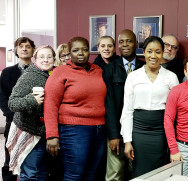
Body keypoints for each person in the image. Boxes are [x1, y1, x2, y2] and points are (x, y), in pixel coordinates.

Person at [44, 36, 106, 181]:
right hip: (74, 130)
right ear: (69, 53)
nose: (81, 53)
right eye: (76, 50)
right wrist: (52, 135)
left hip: (99, 129)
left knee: (92, 174)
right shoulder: (60, 72)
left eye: (84, 50)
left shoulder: (98, 70)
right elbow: (50, 104)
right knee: (75, 175)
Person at [121, 36, 179, 177]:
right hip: (139, 132)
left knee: (160, 173)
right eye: (150, 51)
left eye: (158, 52)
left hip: (161, 132)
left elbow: (176, 111)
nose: (153, 56)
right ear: (144, 52)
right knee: (140, 172)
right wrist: (127, 140)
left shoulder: (171, 77)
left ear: (162, 53)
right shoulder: (133, 77)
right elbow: (127, 111)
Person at [6, 45, 55, 180]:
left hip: (45, 132)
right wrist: (31, 100)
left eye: (49, 57)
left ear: (54, 59)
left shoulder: (54, 74)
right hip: (28, 131)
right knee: (30, 173)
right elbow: (12, 103)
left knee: (42, 172)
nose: (45, 60)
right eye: (41, 57)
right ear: (35, 59)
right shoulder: (29, 76)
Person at [102, 29, 144, 181]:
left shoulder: (144, 68)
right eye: (121, 42)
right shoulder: (109, 68)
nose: (125, 44)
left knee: (137, 173)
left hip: (139, 131)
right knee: (115, 174)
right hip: (117, 133)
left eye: (129, 41)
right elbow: (109, 103)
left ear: (136, 44)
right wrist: (113, 134)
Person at [0, 37, 35, 181]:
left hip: (35, 122)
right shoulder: (8, 72)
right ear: (16, 51)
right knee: (11, 158)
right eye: (21, 46)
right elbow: (3, 98)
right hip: (13, 121)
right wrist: (12, 116)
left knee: (33, 157)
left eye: (28, 46)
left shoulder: (40, 71)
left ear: (33, 50)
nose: (25, 49)